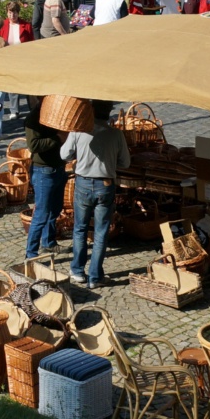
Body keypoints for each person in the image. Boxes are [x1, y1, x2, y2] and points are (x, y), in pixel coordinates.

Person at [62, 100, 131, 288]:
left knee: (80, 228)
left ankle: (77, 271)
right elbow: (125, 163)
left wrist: (78, 152)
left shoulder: (78, 132)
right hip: (105, 184)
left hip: (83, 183)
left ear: (91, 111)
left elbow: (64, 155)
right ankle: (95, 277)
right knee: (100, 232)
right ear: (108, 112)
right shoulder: (116, 134)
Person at [24, 98, 66, 258]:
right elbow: (33, 145)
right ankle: (30, 254)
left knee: (55, 208)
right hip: (43, 171)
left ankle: (48, 242)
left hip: (58, 168)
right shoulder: (33, 118)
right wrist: (58, 139)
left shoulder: (55, 114)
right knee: (41, 214)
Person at [0, 1, 33, 118]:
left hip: (23, 59)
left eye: (14, 13)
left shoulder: (26, 25)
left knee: (27, 85)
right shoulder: (3, 25)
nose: (12, 15)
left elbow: (31, 43)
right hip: (8, 59)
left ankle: (33, 108)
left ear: (18, 13)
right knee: (12, 85)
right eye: (10, 12)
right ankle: (14, 110)